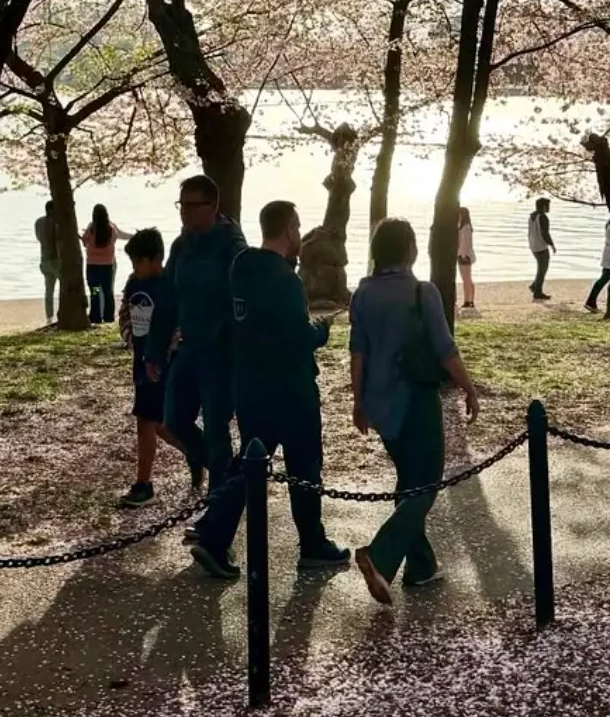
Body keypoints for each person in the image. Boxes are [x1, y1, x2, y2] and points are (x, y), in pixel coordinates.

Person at [190, 200, 350, 581]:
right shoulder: (285, 280)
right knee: (305, 464)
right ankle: (312, 544)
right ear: (289, 229)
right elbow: (297, 336)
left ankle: (214, 536)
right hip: (290, 387)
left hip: (249, 384)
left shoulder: (241, 267)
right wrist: (321, 331)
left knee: (249, 463)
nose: (300, 235)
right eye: (298, 227)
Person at [349, 216, 479, 605]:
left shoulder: (363, 293)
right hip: (416, 399)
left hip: (379, 401)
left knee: (409, 481)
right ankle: (381, 554)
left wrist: (358, 401)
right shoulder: (423, 292)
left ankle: (421, 566)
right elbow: (445, 348)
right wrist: (469, 388)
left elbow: (358, 351)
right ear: (410, 249)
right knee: (426, 483)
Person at [145, 174, 246, 514]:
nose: (184, 212)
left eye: (192, 205)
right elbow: (167, 300)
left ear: (213, 206)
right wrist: (154, 351)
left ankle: (217, 509)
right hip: (188, 349)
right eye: (181, 205)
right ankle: (229, 477)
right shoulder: (181, 246)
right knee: (173, 421)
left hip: (220, 353)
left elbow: (243, 300)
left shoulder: (232, 245)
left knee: (217, 429)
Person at [118, 228, 193, 508]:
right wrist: (130, 337)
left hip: (161, 364)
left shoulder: (167, 286)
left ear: (155, 259)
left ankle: (144, 483)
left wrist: (162, 353)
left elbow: (176, 324)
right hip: (141, 362)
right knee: (158, 424)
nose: (134, 268)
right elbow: (125, 313)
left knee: (148, 421)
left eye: (138, 262)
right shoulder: (133, 283)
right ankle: (196, 454)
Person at [82, 202, 129, 326]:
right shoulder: (111, 229)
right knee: (108, 291)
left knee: (95, 291)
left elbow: (85, 242)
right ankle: (109, 317)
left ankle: (95, 316)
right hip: (107, 265)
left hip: (92, 266)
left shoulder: (91, 229)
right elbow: (113, 241)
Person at [35, 201, 59, 324]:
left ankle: (49, 317)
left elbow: (40, 238)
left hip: (44, 260)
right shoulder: (56, 223)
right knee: (65, 287)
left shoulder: (38, 222)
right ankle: (62, 313)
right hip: (56, 260)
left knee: (49, 290)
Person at [527, 196, 554, 301]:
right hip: (541, 246)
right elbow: (545, 233)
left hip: (533, 245)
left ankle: (535, 286)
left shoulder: (532, 216)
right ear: (543, 206)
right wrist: (552, 244)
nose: (549, 208)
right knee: (542, 269)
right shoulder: (543, 217)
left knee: (541, 268)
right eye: (547, 206)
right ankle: (537, 292)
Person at [585, 220, 610, 312]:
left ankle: (591, 300)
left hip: (608, 251)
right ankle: (591, 301)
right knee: (606, 277)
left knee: (605, 277)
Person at [456, 206, 479, 315]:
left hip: (464, 256)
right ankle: (470, 300)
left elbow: (465, 243)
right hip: (464, 255)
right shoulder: (464, 227)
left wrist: (462, 255)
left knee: (466, 279)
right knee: (468, 279)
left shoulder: (465, 228)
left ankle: (467, 301)